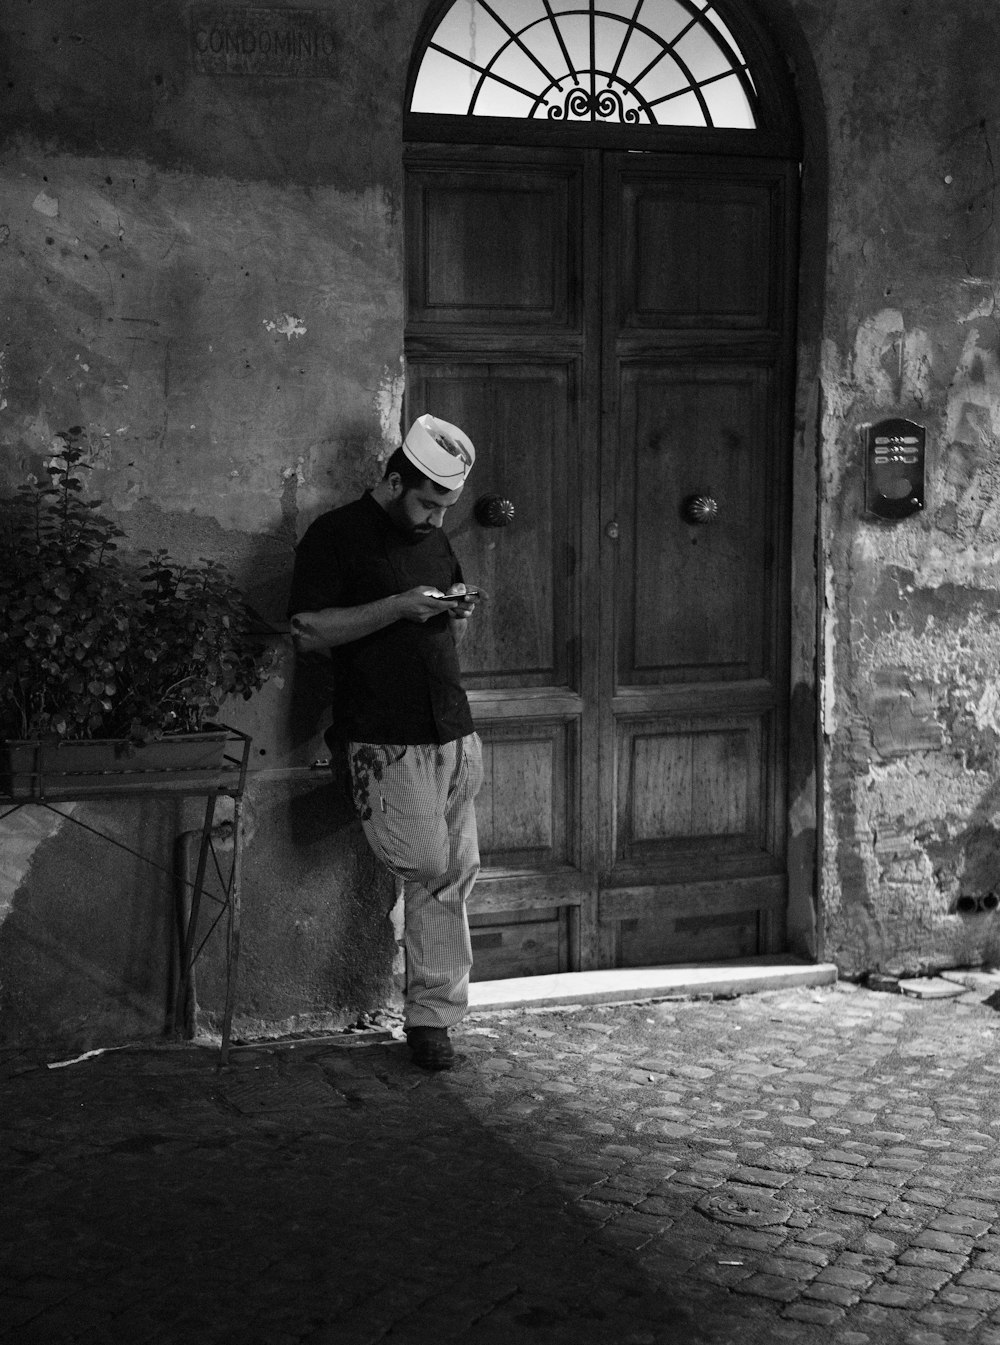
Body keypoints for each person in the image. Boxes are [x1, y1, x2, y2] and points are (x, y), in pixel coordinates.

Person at [287, 414, 483, 1071]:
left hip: (452, 730)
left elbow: (441, 594)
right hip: (381, 736)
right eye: (427, 503)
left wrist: (456, 605)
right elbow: (308, 631)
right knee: (428, 864)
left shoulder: (433, 534)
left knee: (454, 876)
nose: (434, 519)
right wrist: (396, 607)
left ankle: (432, 1020)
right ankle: (343, 789)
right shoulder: (335, 536)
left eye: (444, 507)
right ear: (393, 480)